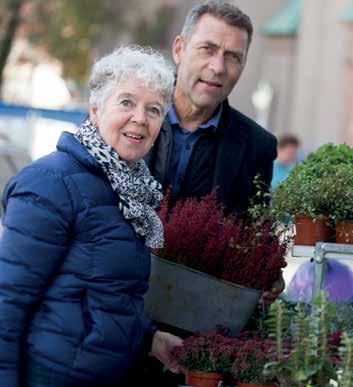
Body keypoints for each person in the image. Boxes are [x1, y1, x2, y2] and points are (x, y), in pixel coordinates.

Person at [0, 46, 182, 387]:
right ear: (95, 110)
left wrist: (150, 339)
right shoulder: (51, 183)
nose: (140, 118)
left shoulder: (131, 191)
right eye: (126, 102)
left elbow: (105, 294)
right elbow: (7, 301)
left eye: (153, 109)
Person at [145, 0, 277, 216]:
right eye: (207, 49)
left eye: (233, 57)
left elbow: (252, 238)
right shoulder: (126, 116)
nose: (218, 67)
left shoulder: (257, 147)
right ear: (179, 50)